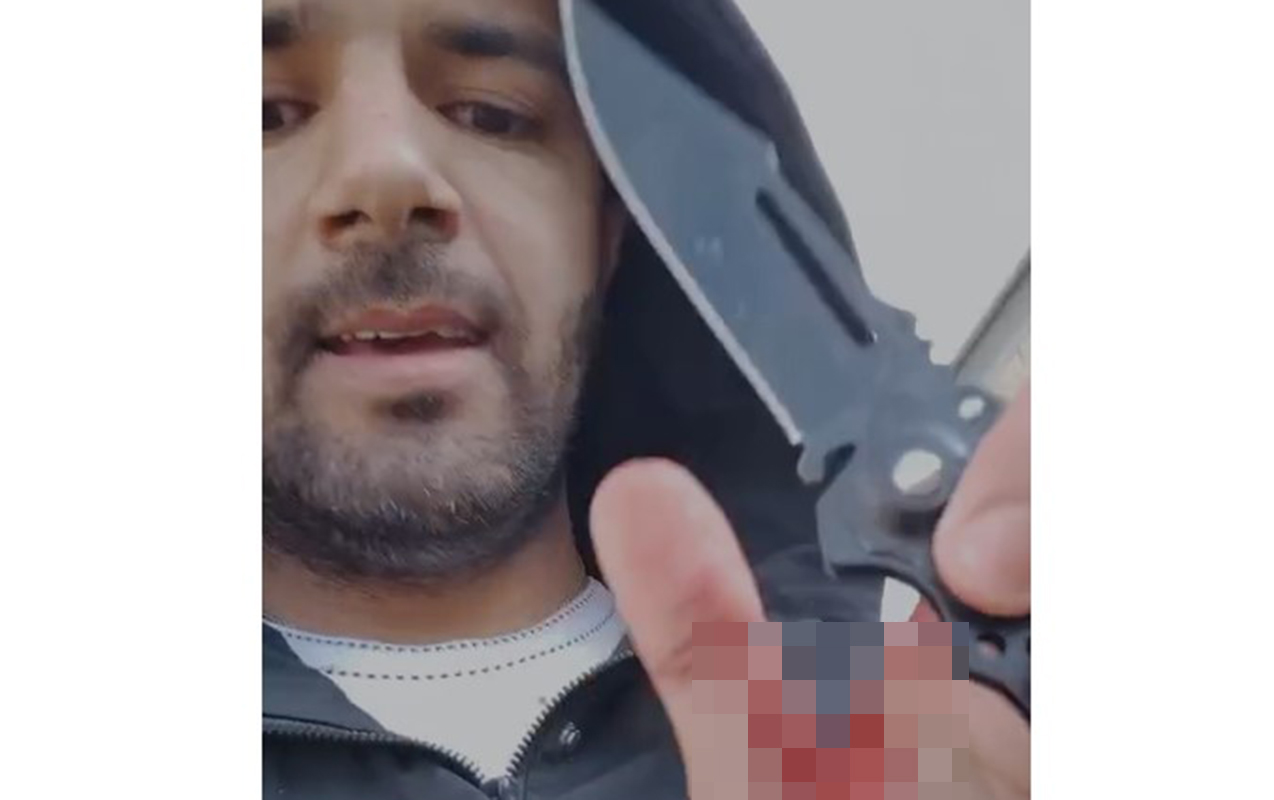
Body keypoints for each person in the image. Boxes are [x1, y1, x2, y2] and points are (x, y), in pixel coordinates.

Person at [262, 0, 1031, 797]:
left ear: (610, 232)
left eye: (492, 113)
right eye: (262, 116)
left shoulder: (920, 735)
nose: (386, 173)